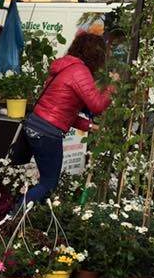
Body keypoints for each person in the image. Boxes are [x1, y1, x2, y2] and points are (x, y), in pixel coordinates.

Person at [20, 32, 117, 206]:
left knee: (46, 181)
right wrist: (112, 87)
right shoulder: (80, 71)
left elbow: (62, 111)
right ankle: (14, 219)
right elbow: (96, 105)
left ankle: (29, 218)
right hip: (47, 132)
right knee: (48, 183)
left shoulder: (66, 67)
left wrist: (89, 126)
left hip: (36, 125)